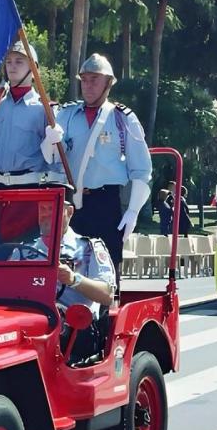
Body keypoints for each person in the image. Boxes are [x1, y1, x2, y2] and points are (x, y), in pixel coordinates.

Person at [53, 53, 152, 275]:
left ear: (108, 83)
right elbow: (50, 160)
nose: (87, 86)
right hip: (70, 203)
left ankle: (107, 309)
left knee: (106, 267)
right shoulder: (65, 114)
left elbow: (142, 169)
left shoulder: (123, 118)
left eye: (94, 80)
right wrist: (49, 142)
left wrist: (133, 211)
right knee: (67, 264)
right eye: (84, 80)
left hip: (106, 202)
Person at [16, 191, 115, 365]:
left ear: (69, 212)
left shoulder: (88, 248)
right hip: (29, 327)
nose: (45, 214)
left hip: (76, 332)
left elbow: (106, 294)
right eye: (42, 209)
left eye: (51, 208)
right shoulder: (23, 250)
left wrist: (74, 279)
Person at [0, 42, 61, 190]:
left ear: (34, 69)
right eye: (8, 62)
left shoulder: (45, 109)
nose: (12, 66)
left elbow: (55, 158)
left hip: (28, 187)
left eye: (19, 62)